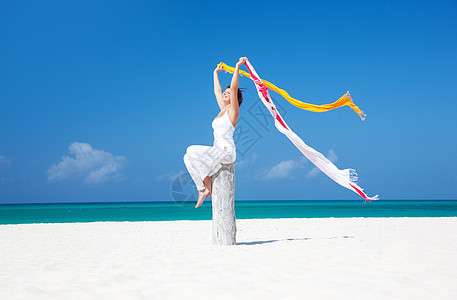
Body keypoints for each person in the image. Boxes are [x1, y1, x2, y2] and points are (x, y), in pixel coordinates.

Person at [183, 57, 246, 208]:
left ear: (234, 98)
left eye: (228, 93)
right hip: (216, 152)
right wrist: (215, 73)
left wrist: (237, 67)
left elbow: (235, 87)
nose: (225, 94)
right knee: (187, 157)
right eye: (225, 92)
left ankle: (206, 182)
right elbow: (216, 91)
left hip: (226, 152)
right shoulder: (222, 111)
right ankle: (203, 188)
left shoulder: (233, 112)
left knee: (191, 149)